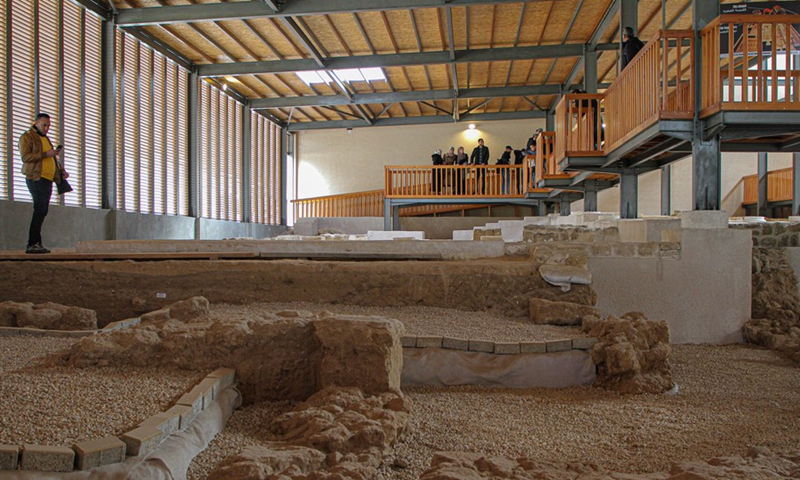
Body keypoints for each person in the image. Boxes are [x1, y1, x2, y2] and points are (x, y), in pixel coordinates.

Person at [19, 113, 68, 254]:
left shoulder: (46, 139)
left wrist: (61, 171)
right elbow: (26, 157)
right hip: (36, 178)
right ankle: (33, 243)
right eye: (44, 125)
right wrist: (46, 154)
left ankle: (36, 243)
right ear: (36, 123)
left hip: (48, 179)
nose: (46, 128)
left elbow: (53, 159)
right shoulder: (27, 137)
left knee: (43, 210)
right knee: (40, 209)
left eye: (48, 126)